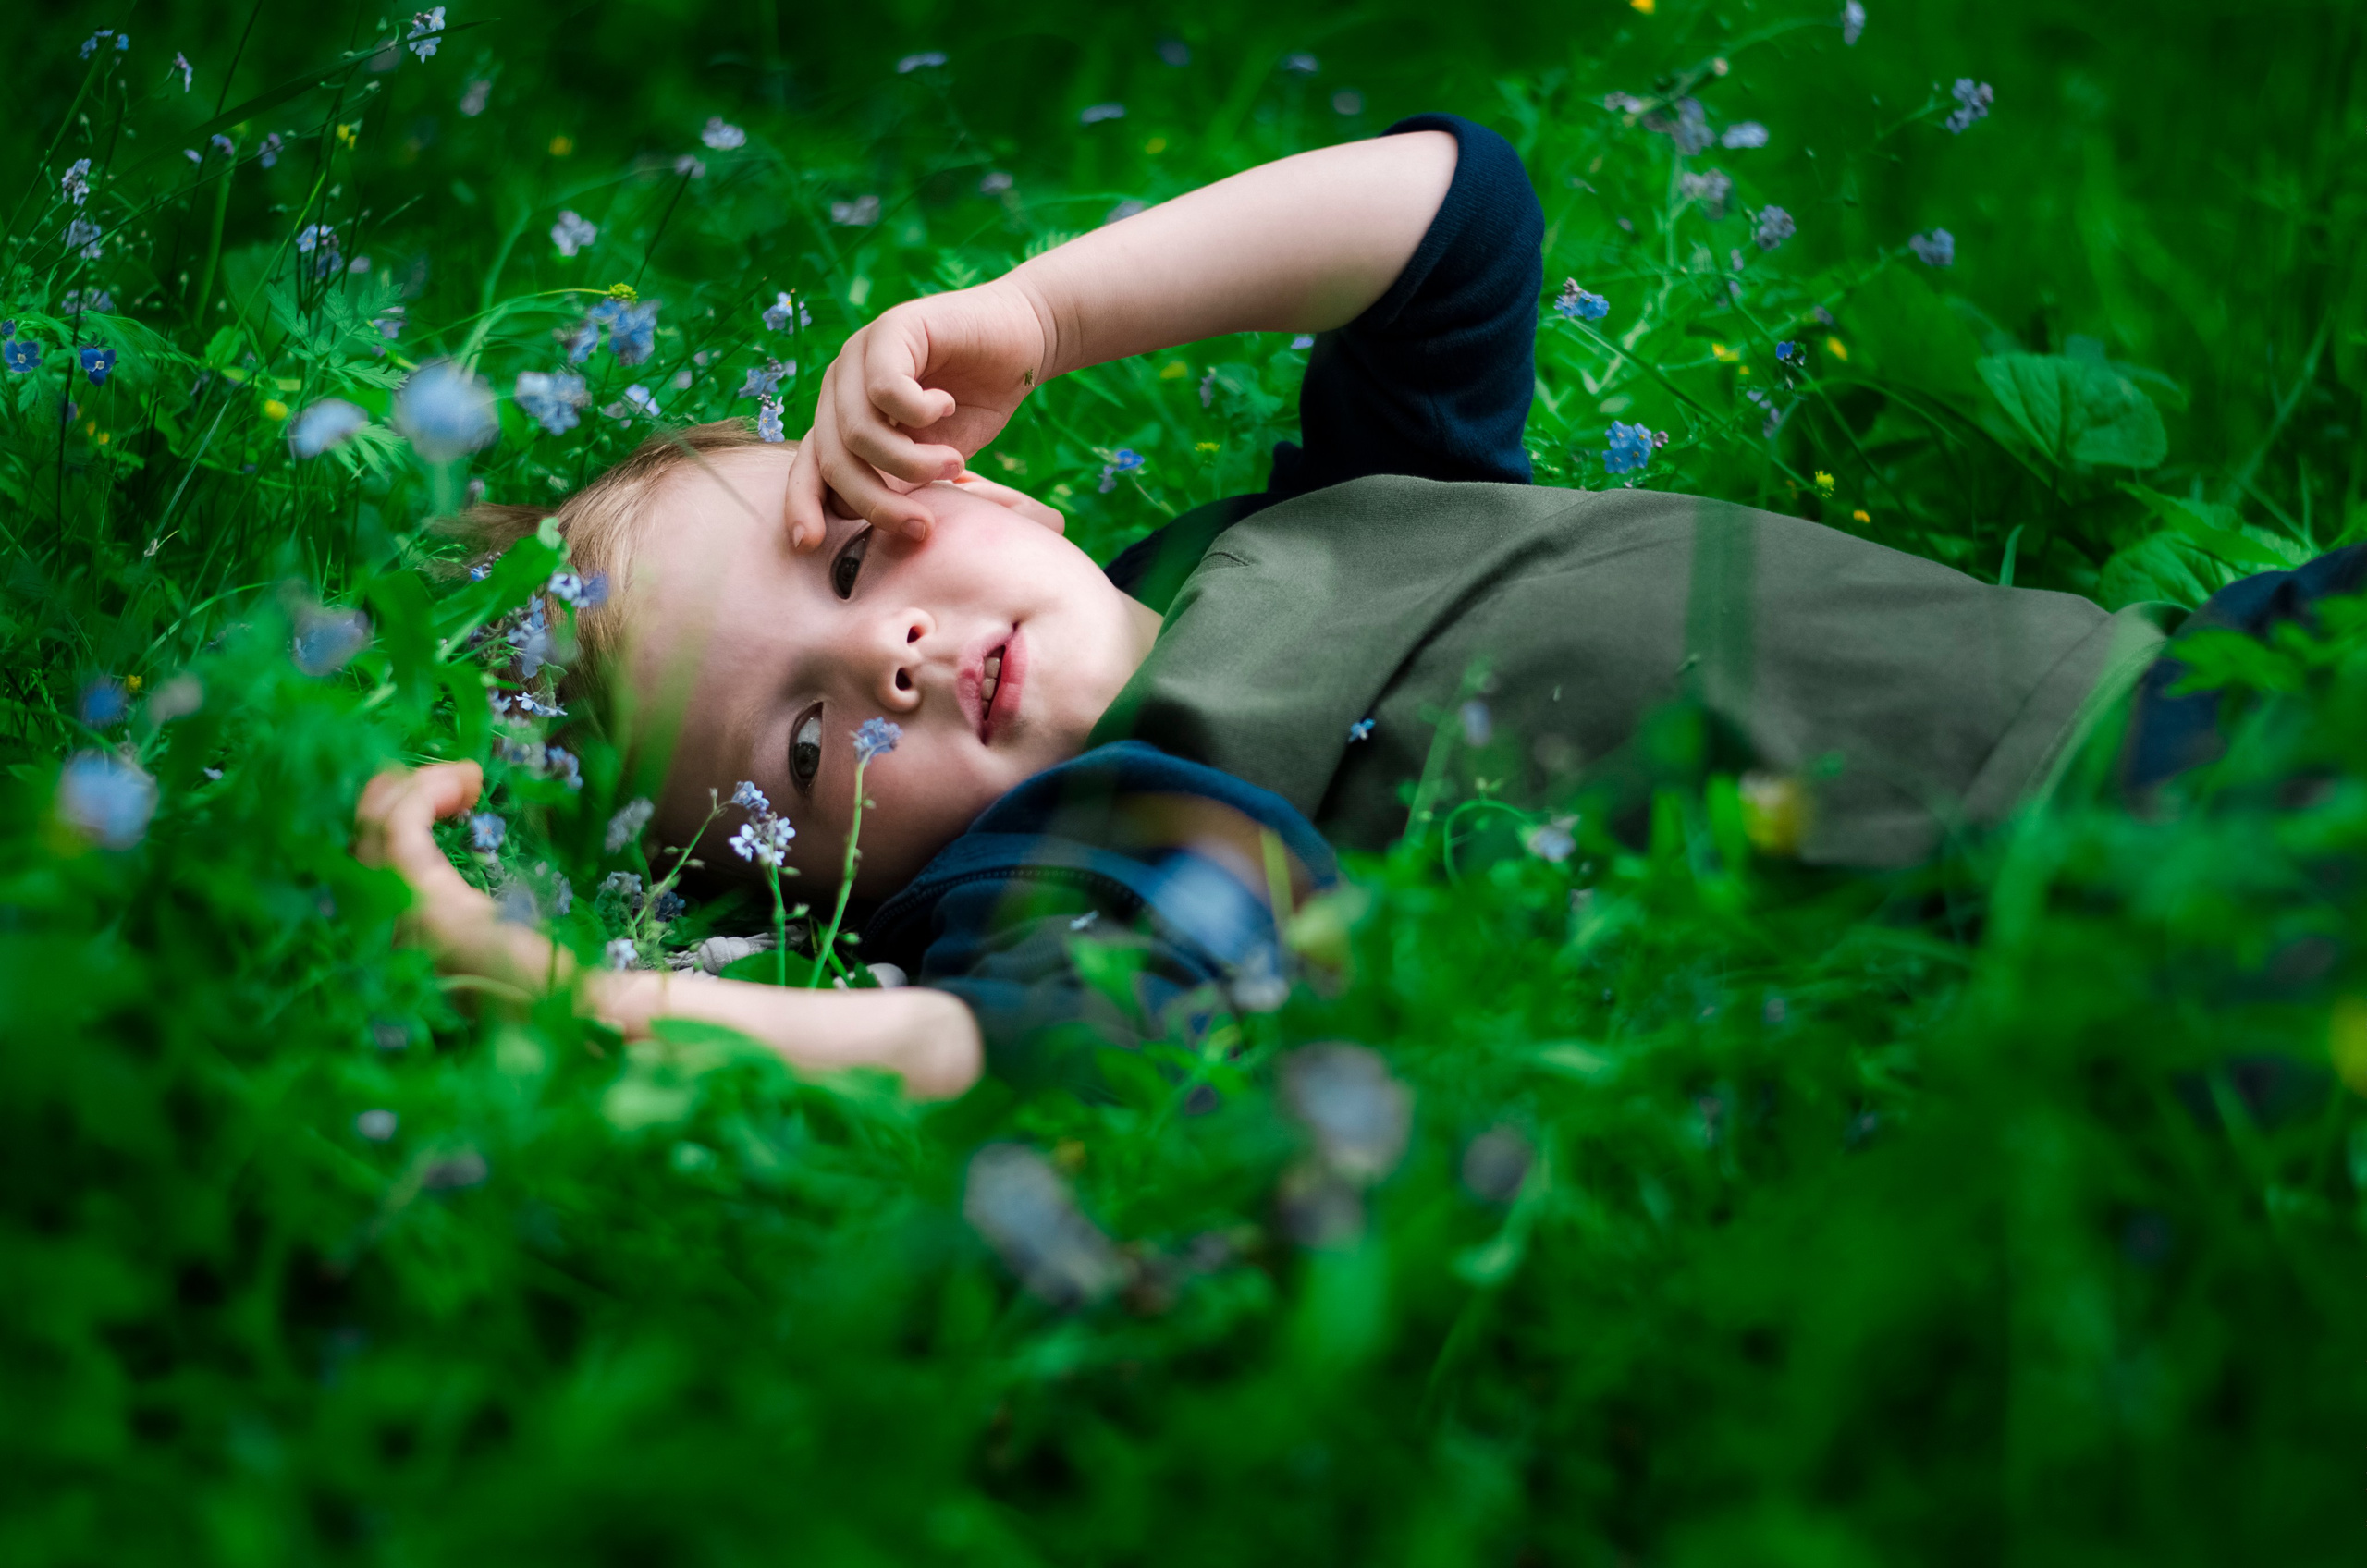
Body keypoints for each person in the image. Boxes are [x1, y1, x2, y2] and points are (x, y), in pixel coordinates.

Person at [354, 115, 2344, 1100]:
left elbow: (1450, 212)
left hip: (2197, 671)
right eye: (803, 743)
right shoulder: (1096, 842)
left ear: (989, 483)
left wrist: (1039, 308)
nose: (876, 657)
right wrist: (593, 1000)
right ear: (836, 890)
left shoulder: (1317, 518)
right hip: (2087, 886)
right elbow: (1015, 1051)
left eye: (855, 560)